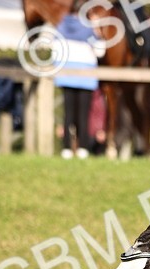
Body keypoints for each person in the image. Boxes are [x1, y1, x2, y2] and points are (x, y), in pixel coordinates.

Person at [55, 12, 99, 159]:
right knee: (83, 114)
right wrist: (97, 29)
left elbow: (55, 51)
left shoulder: (60, 25)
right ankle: (82, 148)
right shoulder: (89, 28)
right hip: (86, 76)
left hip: (66, 74)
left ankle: (67, 148)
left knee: (68, 114)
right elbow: (100, 51)